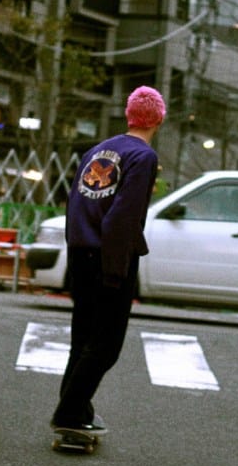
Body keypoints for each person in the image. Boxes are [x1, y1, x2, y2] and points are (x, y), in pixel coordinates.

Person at [51, 85, 167, 434]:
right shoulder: (143, 158)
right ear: (158, 119)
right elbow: (123, 217)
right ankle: (70, 413)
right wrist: (116, 271)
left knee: (83, 338)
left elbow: (74, 203)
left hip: (81, 252)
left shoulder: (98, 150)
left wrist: (76, 249)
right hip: (109, 256)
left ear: (129, 115)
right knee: (106, 344)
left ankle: (77, 407)